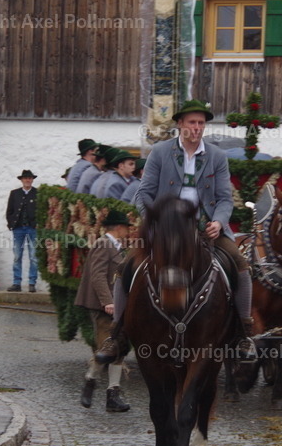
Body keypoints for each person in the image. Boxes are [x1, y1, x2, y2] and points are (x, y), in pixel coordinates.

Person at [96, 99, 256, 364]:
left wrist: (218, 221)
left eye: (201, 123)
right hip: (167, 230)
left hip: (207, 230)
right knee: (125, 267)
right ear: (180, 124)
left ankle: (244, 334)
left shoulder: (217, 156)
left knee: (241, 266)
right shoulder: (160, 152)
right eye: (192, 122)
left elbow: (225, 198)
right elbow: (143, 194)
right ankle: (117, 334)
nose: (196, 127)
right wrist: (155, 222)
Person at [74, 211, 133, 412]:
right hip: (104, 307)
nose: (128, 230)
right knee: (107, 348)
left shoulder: (118, 248)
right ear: (118, 227)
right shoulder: (103, 244)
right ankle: (90, 381)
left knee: (120, 349)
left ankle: (112, 394)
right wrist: (107, 301)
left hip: (119, 307)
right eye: (126, 227)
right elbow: (98, 276)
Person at [6, 169, 38, 292]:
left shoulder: (37, 193)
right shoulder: (14, 193)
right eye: (25, 178)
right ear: (21, 180)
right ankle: (16, 283)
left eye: (29, 178)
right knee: (17, 256)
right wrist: (11, 224)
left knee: (34, 256)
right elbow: (9, 211)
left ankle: (32, 283)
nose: (27, 180)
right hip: (18, 228)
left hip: (32, 229)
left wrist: (38, 223)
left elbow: (41, 211)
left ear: (32, 180)